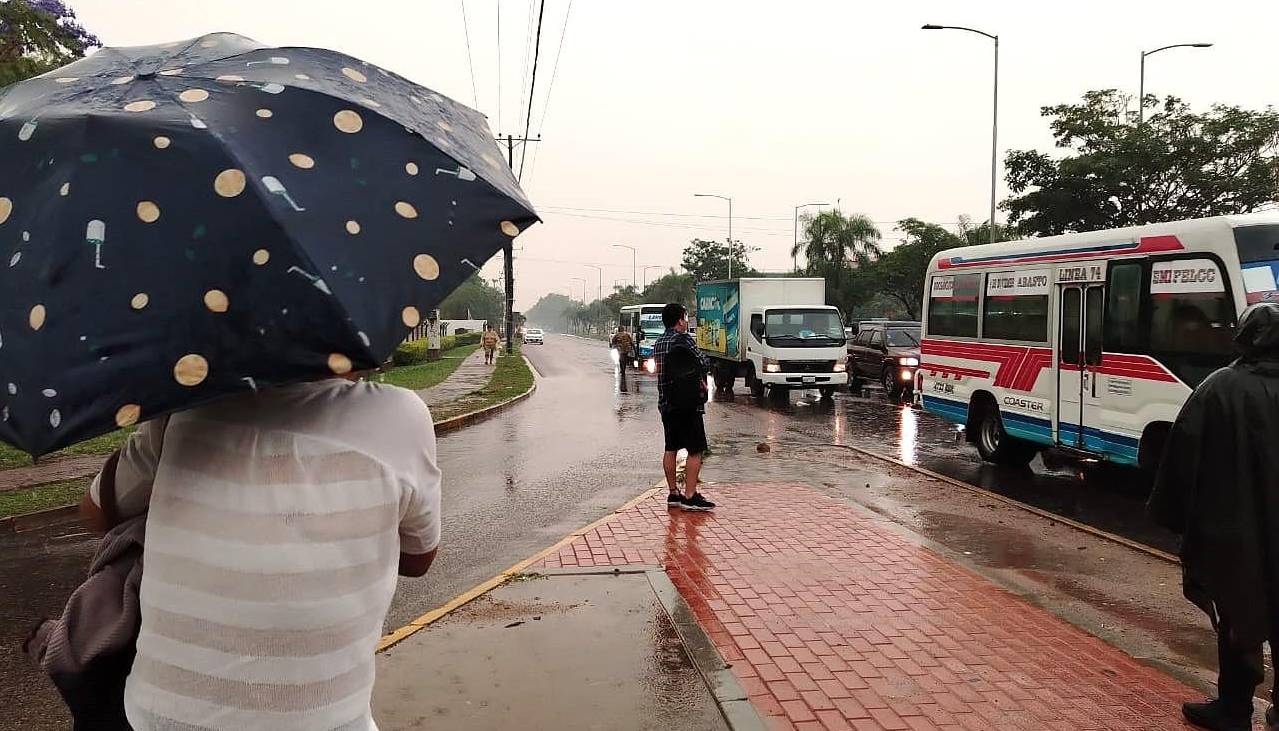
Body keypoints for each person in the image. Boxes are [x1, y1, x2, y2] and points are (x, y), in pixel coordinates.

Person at [77, 375, 442, 730]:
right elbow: (418, 557)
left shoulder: (184, 409)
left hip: (153, 717)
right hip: (329, 720)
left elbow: (96, 514)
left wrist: (156, 424)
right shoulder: (399, 416)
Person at [1149, 302, 1279, 731]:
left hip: (1233, 529)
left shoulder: (1219, 387)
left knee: (1238, 617)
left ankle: (1235, 709)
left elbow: (1181, 458)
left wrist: (1176, 519)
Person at [653, 302, 716, 512]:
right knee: (696, 449)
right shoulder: (684, 339)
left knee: (670, 447)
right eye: (685, 317)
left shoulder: (659, 342)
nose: (686, 320)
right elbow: (703, 364)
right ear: (680, 320)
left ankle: (673, 494)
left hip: (667, 403)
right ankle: (690, 495)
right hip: (688, 405)